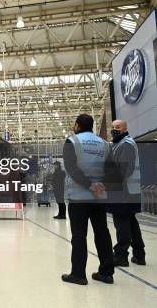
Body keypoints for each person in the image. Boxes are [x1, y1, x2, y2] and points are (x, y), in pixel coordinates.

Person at [61, 114, 114, 285]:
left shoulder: (72, 141)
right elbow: (112, 169)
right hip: (99, 197)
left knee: (78, 234)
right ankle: (106, 273)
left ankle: (78, 274)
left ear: (77, 125)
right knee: (102, 233)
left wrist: (89, 185)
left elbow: (71, 168)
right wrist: (100, 185)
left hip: (78, 197)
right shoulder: (105, 144)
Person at [109, 119, 145, 266]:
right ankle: (139, 254)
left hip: (124, 191)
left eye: (117, 127)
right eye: (112, 127)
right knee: (130, 222)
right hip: (128, 191)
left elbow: (124, 171)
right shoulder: (119, 144)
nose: (114, 130)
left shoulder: (126, 145)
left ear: (125, 129)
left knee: (121, 222)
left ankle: (121, 255)